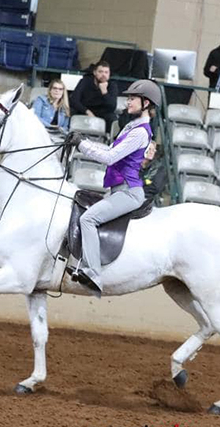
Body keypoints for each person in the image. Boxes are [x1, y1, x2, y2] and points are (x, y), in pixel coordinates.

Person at [65, 79, 161, 296]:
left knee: (88, 219)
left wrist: (82, 145)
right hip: (117, 190)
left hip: (128, 192)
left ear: (146, 103)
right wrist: (85, 141)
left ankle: (93, 273)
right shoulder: (130, 126)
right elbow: (110, 149)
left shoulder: (140, 132)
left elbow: (110, 158)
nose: (128, 101)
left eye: (133, 98)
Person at [70, 60, 118, 133]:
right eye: (100, 72)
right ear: (94, 72)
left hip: (102, 113)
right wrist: (87, 111)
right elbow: (74, 100)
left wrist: (104, 92)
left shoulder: (112, 85)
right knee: (71, 111)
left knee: (112, 118)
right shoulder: (85, 81)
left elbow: (112, 107)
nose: (103, 75)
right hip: (85, 110)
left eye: (106, 72)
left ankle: (108, 138)